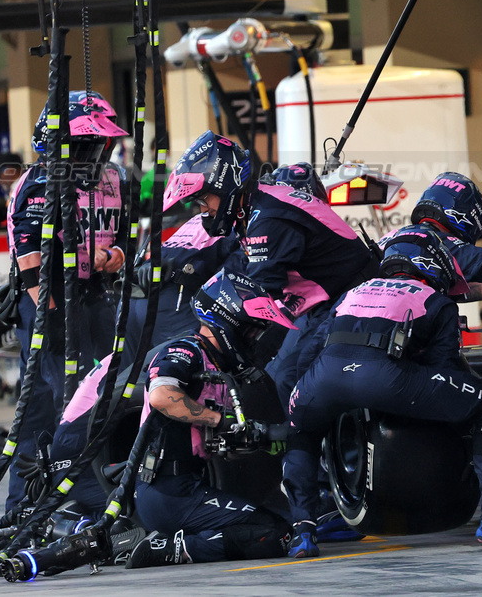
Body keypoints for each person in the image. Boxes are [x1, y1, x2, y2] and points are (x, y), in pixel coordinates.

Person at [162, 131, 378, 555]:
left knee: (281, 390)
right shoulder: (255, 205)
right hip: (327, 301)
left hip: (347, 302)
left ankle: (311, 512)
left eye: (203, 199)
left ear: (222, 185)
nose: (202, 210)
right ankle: (317, 499)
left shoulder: (267, 218)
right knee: (275, 374)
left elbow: (258, 295)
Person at [285, 228, 482, 546]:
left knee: (302, 432)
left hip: (321, 379)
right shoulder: (435, 300)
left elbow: (307, 356)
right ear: (434, 262)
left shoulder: (352, 292)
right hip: (383, 379)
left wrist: (309, 393)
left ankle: (305, 530)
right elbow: (444, 367)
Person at [5, 91, 129, 510]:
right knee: (58, 402)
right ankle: (38, 504)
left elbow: (126, 239)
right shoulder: (40, 182)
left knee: (110, 391)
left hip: (96, 298)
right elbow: (29, 256)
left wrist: (113, 258)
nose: (96, 153)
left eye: (101, 144)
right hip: (50, 300)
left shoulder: (114, 180)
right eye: (86, 145)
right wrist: (51, 317)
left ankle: (98, 488)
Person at [125, 271, 295, 568]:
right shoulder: (185, 350)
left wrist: (259, 437)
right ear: (229, 324)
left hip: (187, 487)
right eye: (251, 332)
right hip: (169, 493)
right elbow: (161, 396)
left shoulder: (218, 367)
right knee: (274, 533)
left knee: (270, 521)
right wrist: (219, 420)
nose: (253, 340)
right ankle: (169, 549)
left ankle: (147, 540)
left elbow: (217, 443)